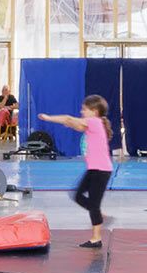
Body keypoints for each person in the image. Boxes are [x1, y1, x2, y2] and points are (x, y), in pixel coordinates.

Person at [39, 95, 114, 249]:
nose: (81, 111)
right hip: (95, 169)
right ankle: (99, 216)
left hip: (100, 171)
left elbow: (67, 118)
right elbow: (72, 123)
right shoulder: (94, 124)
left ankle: (96, 238)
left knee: (93, 204)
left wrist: (48, 118)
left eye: (84, 109)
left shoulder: (94, 122)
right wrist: (69, 123)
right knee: (78, 195)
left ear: (94, 111)